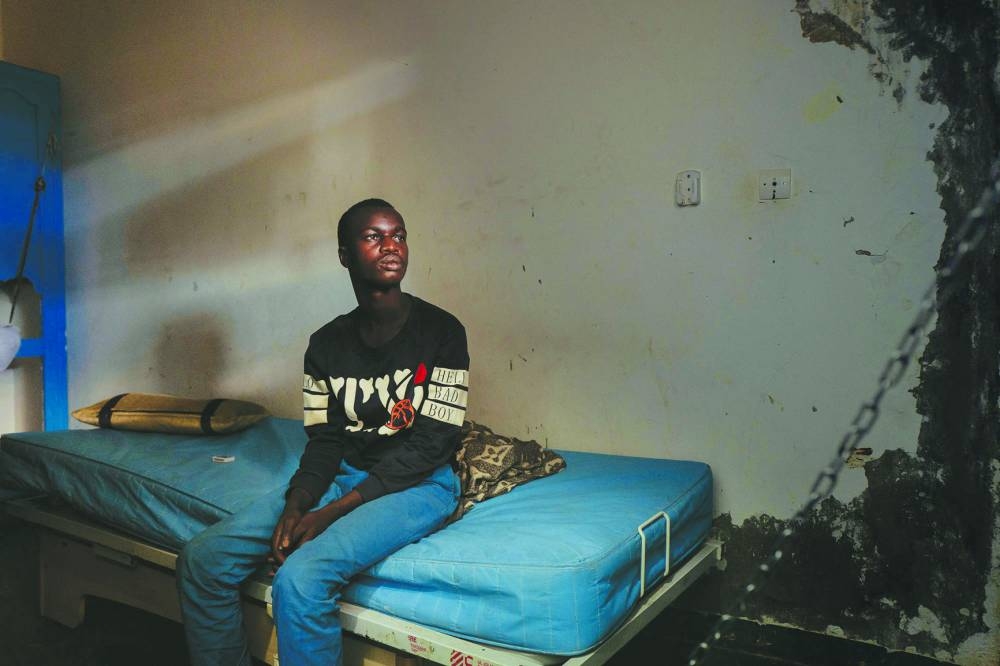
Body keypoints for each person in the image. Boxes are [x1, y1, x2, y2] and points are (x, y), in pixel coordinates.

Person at [176, 198, 470, 666]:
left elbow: (433, 443)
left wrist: (329, 513)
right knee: (202, 559)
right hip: (343, 474)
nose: (391, 245)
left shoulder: (443, 332)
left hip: (421, 484)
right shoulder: (326, 344)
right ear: (344, 255)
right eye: (373, 236)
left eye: (399, 234)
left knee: (301, 578)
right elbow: (325, 441)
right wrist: (296, 507)